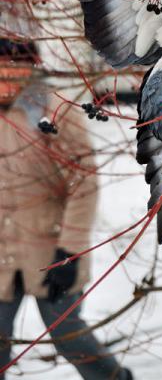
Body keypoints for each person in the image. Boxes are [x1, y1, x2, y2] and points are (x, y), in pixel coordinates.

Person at [0, 38, 133, 380]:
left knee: (69, 337)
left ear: (30, 69)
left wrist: (70, 251)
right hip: (3, 251)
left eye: (13, 67)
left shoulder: (51, 109)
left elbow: (84, 181)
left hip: (50, 247)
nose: (5, 76)